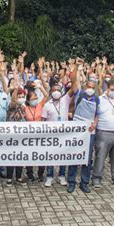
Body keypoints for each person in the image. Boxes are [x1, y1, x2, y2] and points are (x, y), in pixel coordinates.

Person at [41, 59, 79, 187]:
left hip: (64, 134)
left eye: (59, 89)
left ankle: (62, 175)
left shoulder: (66, 100)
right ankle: (50, 176)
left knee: (63, 155)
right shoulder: (47, 105)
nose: (56, 92)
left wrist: (76, 68)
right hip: (51, 135)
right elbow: (43, 121)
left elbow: (74, 87)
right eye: (54, 90)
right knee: (50, 155)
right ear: (51, 92)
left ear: (61, 91)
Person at [67, 80, 99, 193]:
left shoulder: (97, 99)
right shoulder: (79, 95)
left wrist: (95, 123)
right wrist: (77, 66)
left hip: (90, 132)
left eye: (92, 87)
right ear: (85, 87)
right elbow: (73, 78)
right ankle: (71, 181)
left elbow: (97, 114)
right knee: (74, 156)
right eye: (88, 86)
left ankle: (84, 182)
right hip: (77, 131)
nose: (90, 89)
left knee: (87, 158)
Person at [24, 81, 49, 182]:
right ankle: (30, 174)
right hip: (29, 135)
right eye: (33, 98)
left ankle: (40, 174)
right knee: (29, 154)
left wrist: (40, 87)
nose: (35, 99)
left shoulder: (40, 105)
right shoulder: (25, 108)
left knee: (41, 155)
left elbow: (46, 96)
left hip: (40, 135)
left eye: (36, 97)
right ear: (28, 100)